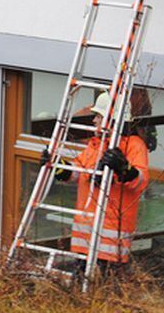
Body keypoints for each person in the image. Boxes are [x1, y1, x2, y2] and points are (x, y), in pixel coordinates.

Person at [48, 92, 149, 268]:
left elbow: (140, 181)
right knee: (82, 284)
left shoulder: (133, 145)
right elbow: (76, 172)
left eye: (98, 116)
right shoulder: (95, 145)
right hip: (85, 234)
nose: (94, 120)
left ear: (113, 119)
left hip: (111, 238)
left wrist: (123, 169)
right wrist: (57, 166)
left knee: (105, 287)